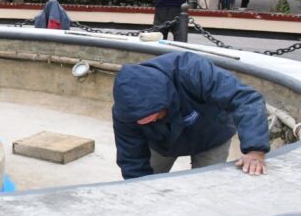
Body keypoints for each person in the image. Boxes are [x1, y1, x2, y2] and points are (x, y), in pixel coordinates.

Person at [112, 52, 269, 180]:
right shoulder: (125, 112)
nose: (150, 121)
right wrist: (138, 187)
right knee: (143, 183)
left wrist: (255, 149)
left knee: (208, 187)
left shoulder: (192, 69)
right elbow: (131, 157)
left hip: (212, 135)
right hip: (161, 143)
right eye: (141, 120)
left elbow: (246, 98)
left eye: (152, 115)